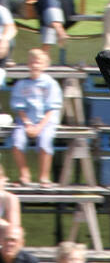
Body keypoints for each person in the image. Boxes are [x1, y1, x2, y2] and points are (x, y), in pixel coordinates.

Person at [8, 48, 62, 188]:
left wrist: (39, 126)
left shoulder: (51, 84)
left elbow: (52, 109)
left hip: (46, 122)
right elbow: (19, 107)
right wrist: (27, 123)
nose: (35, 65)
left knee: (45, 141)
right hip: (26, 121)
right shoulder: (21, 84)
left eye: (38, 62)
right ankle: (24, 175)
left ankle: (44, 177)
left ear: (44, 65)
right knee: (16, 141)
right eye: (32, 62)